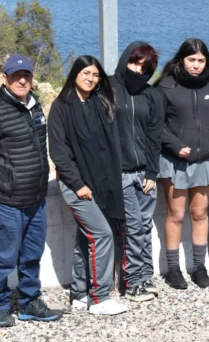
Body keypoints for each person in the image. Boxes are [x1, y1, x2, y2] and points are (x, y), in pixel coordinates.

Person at [0, 55, 62, 327]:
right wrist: (5, 177)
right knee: (3, 258)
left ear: (32, 77)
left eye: (26, 75)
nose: (21, 80)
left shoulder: (35, 106)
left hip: (36, 199)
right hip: (5, 201)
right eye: (15, 75)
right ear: (4, 78)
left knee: (31, 256)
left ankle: (30, 302)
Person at [49, 55, 127, 315]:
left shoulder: (99, 103)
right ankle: (100, 297)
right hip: (76, 184)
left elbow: (107, 147)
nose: (91, 79)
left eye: (95, 75)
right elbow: (58, 152)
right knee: (102, 234)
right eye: (86, 73)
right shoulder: (61, 107)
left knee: (87, 237)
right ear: (75, 74)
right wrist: (77, 183)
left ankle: (80, 293)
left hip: (101, 182)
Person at [156, 39, 209, 290]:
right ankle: (173, 270)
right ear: (181, 60)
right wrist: (175, 145)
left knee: (200, 213)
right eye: (191, 60)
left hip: (205, 158)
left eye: (201, 60)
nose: (196, 65)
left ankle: (199, 268)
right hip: (175, 160)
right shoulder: (166, 86)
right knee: (176, 214)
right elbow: (156, 125)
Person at [109, 42, 162, 301]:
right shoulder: (108, 88)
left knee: (144, 226)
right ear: (124, 60)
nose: (138, 71)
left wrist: (152, 172)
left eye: (144, 68)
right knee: (132, 227)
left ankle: (145, 276)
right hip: (120, 173)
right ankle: (132, 283)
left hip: (145, 175)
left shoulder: (152, 95)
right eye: (134, 63)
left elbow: (155, 135)